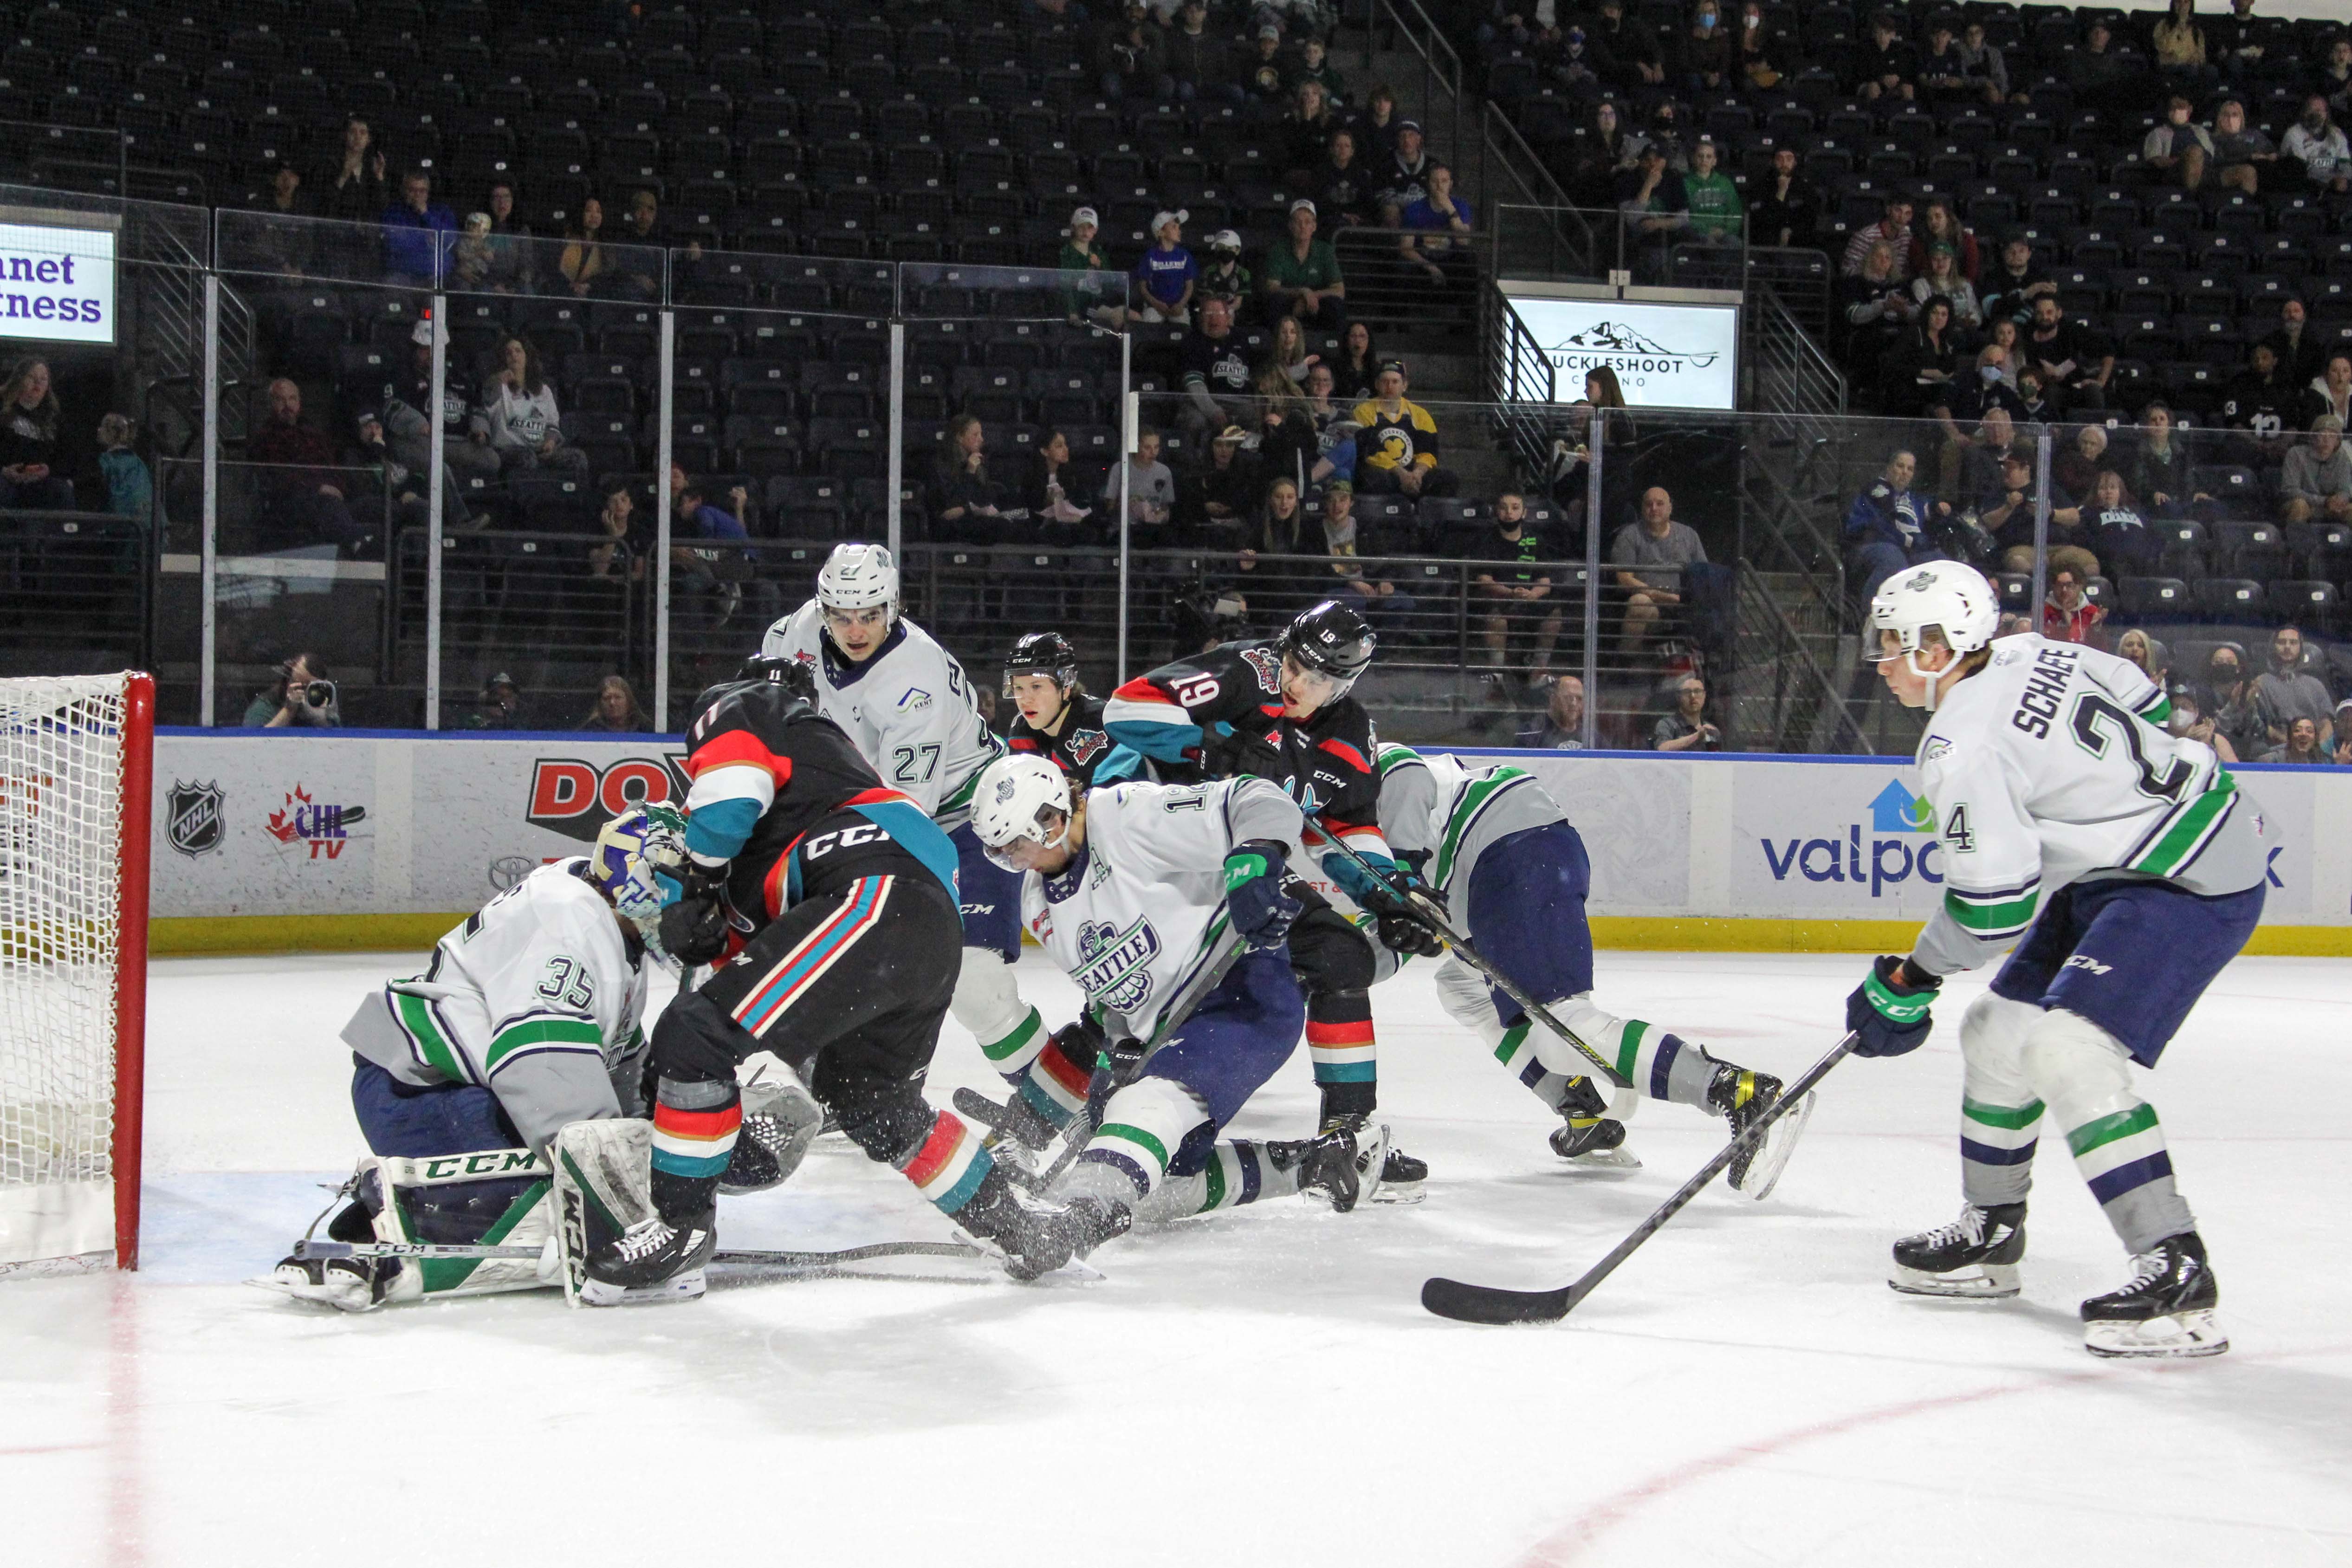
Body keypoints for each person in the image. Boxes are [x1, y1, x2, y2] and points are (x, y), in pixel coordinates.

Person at [1845, 559, 2267, 1359]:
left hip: (2189, 874)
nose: (1883, 660)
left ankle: (2175, 1265)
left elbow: (1992, 909)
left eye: (1896, 644)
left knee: (2063, 1049)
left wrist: (1911, 975)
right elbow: (2141, 695)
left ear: (1940, 648)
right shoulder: (2025, 649)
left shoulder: (1959, 744)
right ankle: (1991, 1231)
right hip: (2127, 863)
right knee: (1994, 1031)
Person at [593, 661, 1095, 1296]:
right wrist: (691, 1110)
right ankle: (1020, 1231)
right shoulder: (775, 843)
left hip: (874, 893)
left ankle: (680, 1230)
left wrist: (695, 880)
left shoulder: (749, 704)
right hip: (919, 924)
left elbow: (732, 791)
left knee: (692, 1032)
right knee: (872, 1103)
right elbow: (757, 1018)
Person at [260, 808, 691, 1311]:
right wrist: (618, 1200)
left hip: (454, 1086)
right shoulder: (570, 923)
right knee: (564, 1210)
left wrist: (670, 1142)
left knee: (581, 1190)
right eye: (680, 888)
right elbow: (547, 1073)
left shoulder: (607, 921)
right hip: (420, 1089)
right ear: (638, 878)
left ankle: (400, 1216)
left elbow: (613, 1065)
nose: (694, 907)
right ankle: (385, 1238)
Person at [759, 546, 1091, 1149]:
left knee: (970, 976)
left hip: (970, 817)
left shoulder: (915, 680)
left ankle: (1061, 1103)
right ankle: (857, 1076)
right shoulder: (791, 633)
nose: (855, 630)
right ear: (822, 608)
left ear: (894, 606)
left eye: (869, 615)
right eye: (842, 615)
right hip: (874, 805)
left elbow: (903, 818)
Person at [966, 754, 1376, 1243]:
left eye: (1017, 845)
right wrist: (1106, 1063)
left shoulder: (1125, 814)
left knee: (1146, 1108)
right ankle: (1312, 1165)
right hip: (1163, 1035)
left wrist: (1255, 860)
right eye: (1002, 853)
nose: (1015, 862)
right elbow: (1109, 1002)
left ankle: (1077, 1220)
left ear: (1051, 818)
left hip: (1240, 995)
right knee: (1158, 1188)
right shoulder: (1038, 904)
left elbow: (1259, 798)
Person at [1104, 601, 1433, 1196]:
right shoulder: (1247, 670)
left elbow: (1346, 827)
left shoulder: (1348, 734)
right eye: (1296, 666)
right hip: (1164, 865)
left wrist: (1389, 892)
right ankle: (1088, 1100)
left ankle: (1347, 1135)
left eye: (1319, 679)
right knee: (1137, 981)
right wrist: (1208, 748)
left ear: (1346, 684)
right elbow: (1126, 709)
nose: (1298, 684)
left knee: (1341, 958)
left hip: (1249, 868)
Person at [1373, 742, 1803, 1182]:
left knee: (1561, 1026)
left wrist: (1402, 870)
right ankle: (1583, 1113)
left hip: (1503, 843)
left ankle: (1735, 1089)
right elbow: (1387, 939)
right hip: (1489, 874)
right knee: (1461, 988)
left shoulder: (1357, 767)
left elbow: (1402, 767)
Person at [248, 378, 366, 552]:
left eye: (292, 399)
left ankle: (371, 547)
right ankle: (360, 546)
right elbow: (278, 477)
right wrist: (318, 488)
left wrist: (337, 488)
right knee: (329, 506)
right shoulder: (266, 437)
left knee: (374, 507)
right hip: (293, 502)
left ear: (299, 402)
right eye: (280, 400)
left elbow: (333, 465)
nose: (287, 405)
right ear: (271, 404)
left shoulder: (312, 431)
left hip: (332, 498)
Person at [1004, 631, 1131, 790]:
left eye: (1036, 687)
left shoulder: (1098, 722)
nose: (1025, 699)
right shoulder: (1021, 728)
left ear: (1065, 687)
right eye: (1019, 688)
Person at [1844, 450, 1951, 605]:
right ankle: (1870, 612)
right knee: (1894, 563)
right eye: (1900, 466)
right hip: (1870, 543)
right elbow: (1883, 526)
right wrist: (1912, 542)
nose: (1905, 472)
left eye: (1910, 469)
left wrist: (1938, 509)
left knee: (1941, 564)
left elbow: (1928, 509)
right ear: (1889, 468)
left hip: (1904, 547)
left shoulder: (1912, 498)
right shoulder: (1877, 490)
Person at [1473, 491, 1562, 679]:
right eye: (1504, 508)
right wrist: (1511, 592)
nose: (1509, 513)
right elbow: (1484, 581)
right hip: (1499, 598)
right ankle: (1497, 672)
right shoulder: (1487, 540)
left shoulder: (1536, 540)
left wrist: (1533, 594)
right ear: (1496, 511)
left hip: (1527, 598)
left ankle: (1539, 670)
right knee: (1496, 618)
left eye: (1515, 508)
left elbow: (1545, 583)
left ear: (1524, 513)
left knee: (1554, 614)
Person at [1611, 486, 1706, 653]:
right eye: (1649, 504)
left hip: (1683, 608)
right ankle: (1624, 660)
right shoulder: (1629, 535)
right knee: (1639, 603)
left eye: (1660, 504)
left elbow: (1704, 574)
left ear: (1670, 508)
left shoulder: (1689, 535)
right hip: (1651, 608)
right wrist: (1662, 596)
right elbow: (1624, 579)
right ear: (1642, 508)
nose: (1654, 508)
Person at [481, 336, 588, 475]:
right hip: (509, 451)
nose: (514, 355)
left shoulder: (545, 391)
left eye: (518, 351)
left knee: (577, 458)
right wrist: (497, 380)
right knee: (527, 458)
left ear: (527, 357)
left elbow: (552, 426)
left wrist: (550, 442)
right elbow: (486, 403)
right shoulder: (497, 387)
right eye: (509, 353)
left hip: (540, 451)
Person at [1351, 360, 1457, 498]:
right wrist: (1402, 474)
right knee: (1372, 478)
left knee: (1448, 479)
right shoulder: (1363, 411)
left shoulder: (1420, 414)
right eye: (1385, 381)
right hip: (1385, 474)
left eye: (1395, 382)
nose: (1390, 386)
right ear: (1377, 384)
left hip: (1413, 474)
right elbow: (1370, 453)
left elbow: (1428, 453)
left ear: (1405, 385)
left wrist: (1417, 474)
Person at [1260, 198, 1347, 329]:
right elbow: (1272, 287)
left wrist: (1311, 296)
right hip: (1290, 301)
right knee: (1274, 303)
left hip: (1317, 303)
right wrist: (1301, 292)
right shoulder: (1278, 250)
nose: (1303, 227)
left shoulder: (1325, 250)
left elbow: (1339, 290)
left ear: (1314, 227)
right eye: (1298, 222)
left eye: (1307, 222)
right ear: (1290, 226)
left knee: (1336, 306)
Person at [0, 358, 73, 510]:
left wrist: (47, 470)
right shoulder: (3, 411)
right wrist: (5, 471)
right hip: (6, 480)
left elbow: (68, 457)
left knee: (61, 491)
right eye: (32, 377)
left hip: (41, 483)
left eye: (43, 379)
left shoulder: (55, 419)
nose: (38, 383)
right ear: (20, 380)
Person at [2252, 625, 2335, 750]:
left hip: (2316, 752)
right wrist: (2295, 747)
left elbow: (2327, 725)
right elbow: (2262, 726)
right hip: (2279, 752)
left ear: (2301, 648)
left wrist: (2317, 748)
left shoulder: (2316, 685)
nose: (2287, 647)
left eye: (2293, 643)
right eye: (2282, 642)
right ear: (2273, 647)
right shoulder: (2261, 683)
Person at [2126, 403, 2208, 518]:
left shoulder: (2181, 453)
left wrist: (2197, 493)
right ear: (2147, 427)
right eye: (2153, 420)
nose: (2158, 423)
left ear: (2169, 425)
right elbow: (2138, 484)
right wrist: (2153, 494)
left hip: (2182, 504)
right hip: (2154, 506)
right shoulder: (2139, 454)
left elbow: (2190, 480)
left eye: (2162, 419)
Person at [1399, 167, 1477, 285]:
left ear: (1451, 184)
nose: (1440, 186)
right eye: (1435, 181)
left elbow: (1464, 241)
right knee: (1404, 265)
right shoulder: (1415, 209)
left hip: (1451, 258)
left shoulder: (1461, 206)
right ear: (1429, 184)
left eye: (1444, 181)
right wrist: (1431, 268)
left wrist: (1450, 209)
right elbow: (1406, 248)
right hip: (1424, 259)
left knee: (1469, 259)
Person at [381, 170, 456, 285]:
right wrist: (427, 241)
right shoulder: (394, 212)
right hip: (403, 272)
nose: (417, 195)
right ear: (404, 191)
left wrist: (425, 214)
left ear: (428, 192)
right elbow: (394, 243)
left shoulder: (442, 211)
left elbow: (449, 240)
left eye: (422, 191)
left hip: (434, 274)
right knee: (392, 283)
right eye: (412, 190)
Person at [1105, 428, 1177, 543]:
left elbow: (1166, 508)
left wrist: (1160, 514)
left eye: (1156, 447)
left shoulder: (1164, 472)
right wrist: (1126, 506)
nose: (1153, 452)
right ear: (1136, 447)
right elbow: (1109, 510)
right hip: (1124, 530)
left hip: (1153, 530)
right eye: (1147, 448)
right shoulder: (1119, 469)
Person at [2280, 415, 2352, 526]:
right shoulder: (2295, 454)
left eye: (2332, 436)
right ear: (2313, 437)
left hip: (2330, 508)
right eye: (2323, 435)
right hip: (2304, 505)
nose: (2327, 440)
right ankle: (2295, 537)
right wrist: (2324, 501)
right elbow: (2290, 491)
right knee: (2300, 506)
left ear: (2338, 442)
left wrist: (2340, 500)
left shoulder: (2343, 458)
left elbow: (2345, 489)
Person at [2085, 471, 2159, 577]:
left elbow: (2152, 536)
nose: (2109, 491)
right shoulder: (2088, 513)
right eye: (2103, 488)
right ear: (2095, 492)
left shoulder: (2137, 512)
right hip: (2108, 568)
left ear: (2120, 491)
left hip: (2142, 568)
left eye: (2113, 487)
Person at [243, 651, 341, 728]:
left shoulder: (325, 703)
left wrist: (321, 720)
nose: (306, 692)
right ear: (287, 683)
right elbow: (254, 741)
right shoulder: (265, 706)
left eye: (312, 687)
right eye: (301, 686)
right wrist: (289, 710)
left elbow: (338, 740)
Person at [1132, 209, 1197, 324]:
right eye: (1174, 227)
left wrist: (1181, 304)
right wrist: (1155, 303)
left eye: (1179, 227)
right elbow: (1143, 287)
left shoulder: (1184, 255)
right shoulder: (1150, 256)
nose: (1179, 231)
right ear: (1161, 233)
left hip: (1179, 306)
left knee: (1182, 324)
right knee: (1149, 322)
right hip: (1154, 306)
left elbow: (1190, 286)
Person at [1748, 145, 1819, 250]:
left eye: (1789, 159)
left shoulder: (1805, 188)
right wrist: (1781, 193)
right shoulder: (1761, 186)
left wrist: (1791, 231)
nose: (1784, 164)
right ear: (1772, 162)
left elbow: (1810, 220)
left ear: (1795, 163)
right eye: (1780, 159)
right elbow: (1760, 220)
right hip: (1767, 243)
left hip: (1797, 242)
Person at [320, 116, 387, 225]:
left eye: (363, 133)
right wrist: (343, 176)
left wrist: (379, 176)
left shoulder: (371, 168)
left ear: (368, 140)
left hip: (364, 232)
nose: (358, 137)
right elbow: (325, 205)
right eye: (353, 132)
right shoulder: (330, 165)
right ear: (345, 136)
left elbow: (381, 206)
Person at [2141, 94, 2214, 191]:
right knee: (2194, 152)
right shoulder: (2158, 133)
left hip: (2205, 172)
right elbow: (2155, 159)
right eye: (2173, 108)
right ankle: (2192, 193)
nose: (2176, 111)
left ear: (2190, 109)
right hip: (2176, 172)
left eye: (2181, 107)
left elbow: (2210, 154)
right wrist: (2184, 160)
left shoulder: (2201, 131)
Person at [2207, 98, 2277, 195]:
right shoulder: (2214, 139)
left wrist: (2271, 156)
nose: (2230, 119)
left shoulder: (2254, 134)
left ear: (2241, 118)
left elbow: (2272, 151)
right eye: (2226, 115)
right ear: (2220, 119)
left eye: (2235, 115)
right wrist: (2250, 157)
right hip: (2232, 170)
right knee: (2249, 171)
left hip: (2263, 167)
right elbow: (2219, 161)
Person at [1842, 194, 1916, 283]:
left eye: (1907, 213)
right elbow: (1846, 271)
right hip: (1866, 286)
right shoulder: (1865, 236)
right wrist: (1873, 277)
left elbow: (1904, 272)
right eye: (1898, 211)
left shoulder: (1907, 238)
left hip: (1893, 287)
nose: (1902, 217)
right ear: (1888, 210)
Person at [96, 413, 151, 520]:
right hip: (148, 519)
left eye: (102, 427)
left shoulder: (106, 460)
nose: (99, 430)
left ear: (111, 432)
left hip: (121, 520)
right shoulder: (137, 461)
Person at [2041, 564, 2107, 648]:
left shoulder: (2092, 613)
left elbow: (2100, 650)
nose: (2064, 590)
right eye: (2060, 585)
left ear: (2080, 587)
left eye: (2069, 585)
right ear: (2053, 587)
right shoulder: (2042, 611)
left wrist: (2095, 630)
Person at [1515, 674, 1587, 749]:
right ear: (1553, 699)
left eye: (1579, 699)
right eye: (1568, 698)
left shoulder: (1590, 735)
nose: (1574, 703)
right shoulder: (1532, 732)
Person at [1652, 673, 1720, 751]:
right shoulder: (1667, 725)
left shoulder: (1712, 730)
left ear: (1704, 696)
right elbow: (1662, 749)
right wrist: (1697, 736)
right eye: (1687, 692)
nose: (1693, 696)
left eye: (1697, 691)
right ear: (1678, 697)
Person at [559, 198, 609, 298]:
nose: (594, 216)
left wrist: (588, 286)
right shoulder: (567, 237)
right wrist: (570, 286)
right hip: (564, 290)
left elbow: (608, 273)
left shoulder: (606, 244)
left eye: (599, 212)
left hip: (593, 293)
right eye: (589, 211)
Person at [579, 674, 649, 732]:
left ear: (629, 701)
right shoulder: (589, 731)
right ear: (600, 703)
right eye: (607, 698)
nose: (612, 703)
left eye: (618, 697)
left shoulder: (644, 729)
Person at [2261, 716, 2325, 765]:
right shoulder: (2270, 761)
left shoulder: (2319, 763)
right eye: (2297, 731)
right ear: (2290, 736)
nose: (2304, 734)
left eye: (2309, 731)